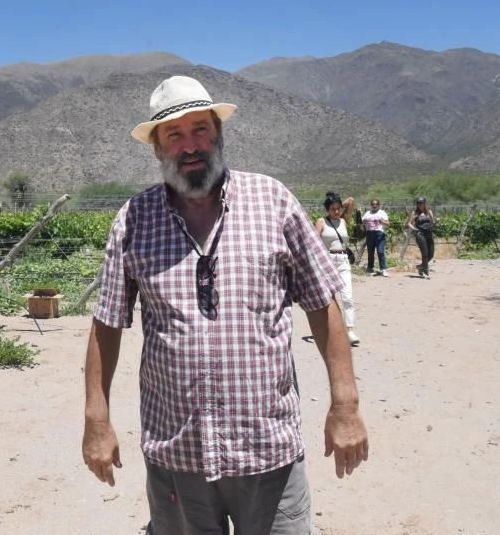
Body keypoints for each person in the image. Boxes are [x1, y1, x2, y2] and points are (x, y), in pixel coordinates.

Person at [82, 76, 369, 535]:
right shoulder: (134, 219)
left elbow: (323, 303)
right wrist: (97, 419)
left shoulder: (273, 202)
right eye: (174, 135)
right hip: (177, 451)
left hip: (267, 448)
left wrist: (346, 404)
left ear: (219, 134)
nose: (190, 145)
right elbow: (107, 325)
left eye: (200, 130)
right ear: (157, 148)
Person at [314, 193, 361, 346]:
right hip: (327, 261)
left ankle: (350, 330)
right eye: (332, 209)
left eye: (338, 208)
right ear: (327, 209)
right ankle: (331, 329)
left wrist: (337, 200)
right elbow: (313, 241)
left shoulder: (343, 221)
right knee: (329, 298)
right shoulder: (322, 221)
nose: (336, 212)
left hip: (343, 260)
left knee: (347, 296)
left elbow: (351, 201)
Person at [408, 197, 437, 280]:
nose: (420, 204)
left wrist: (436, 221)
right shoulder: (415, 213)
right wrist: (414, 229)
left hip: (429, 234)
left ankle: (421, 266)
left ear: (425, 203)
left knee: (431, 255)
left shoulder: (429, 211)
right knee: (425, 253)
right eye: (418, 203)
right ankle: (425, 271)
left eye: (421, 203)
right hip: (420, 234)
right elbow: (409, 223)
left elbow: (433, 221)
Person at [361, 199, 390, 276]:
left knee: (380, 251)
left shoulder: (382, 213)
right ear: (371, 205)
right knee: (370, 252)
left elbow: (387, 223)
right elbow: (362, 222)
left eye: (376, 204)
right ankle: (370, 268)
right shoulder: (367, 213)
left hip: (379, 233)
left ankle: (383, 269)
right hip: (370, 233)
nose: (374, 205)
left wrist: (382, 222)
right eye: (373, 204)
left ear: (378, 205)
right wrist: (364, 221)